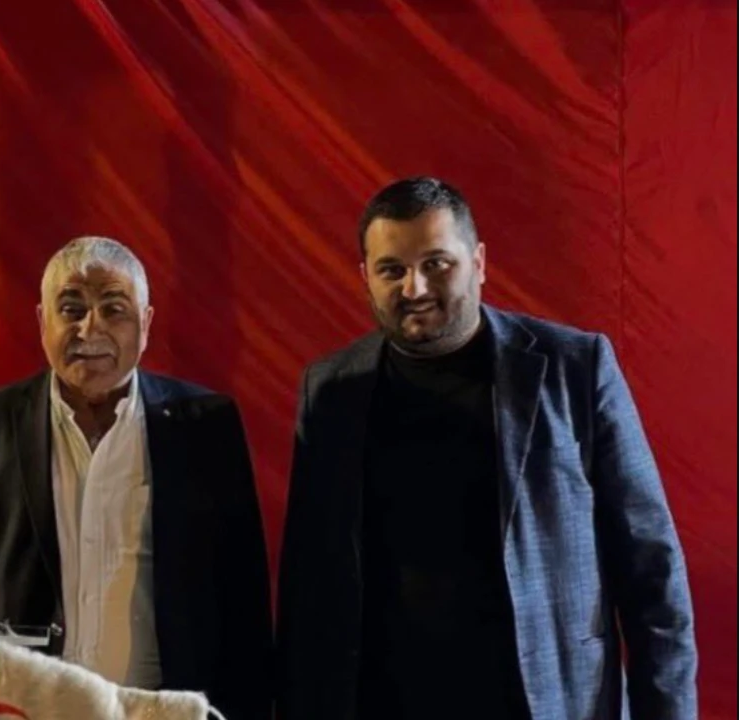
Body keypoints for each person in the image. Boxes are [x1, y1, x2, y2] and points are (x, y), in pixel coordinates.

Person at [275, 177, 698, 720]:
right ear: (365, 277)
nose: (414, 288)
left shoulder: (575, 367)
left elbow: (652, 569)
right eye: (392, 270)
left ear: (478, 263)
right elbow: (308, 583)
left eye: (436, 264)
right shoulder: (330, 390)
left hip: (545, 701)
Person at [0, 236, 273, 720]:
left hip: (159, 710)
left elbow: (243, 597)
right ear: (42, 321)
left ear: (146, 324)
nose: (90, 328)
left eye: (114, 309)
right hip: (19, 708)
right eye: (71, 309)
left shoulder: (203, 428)